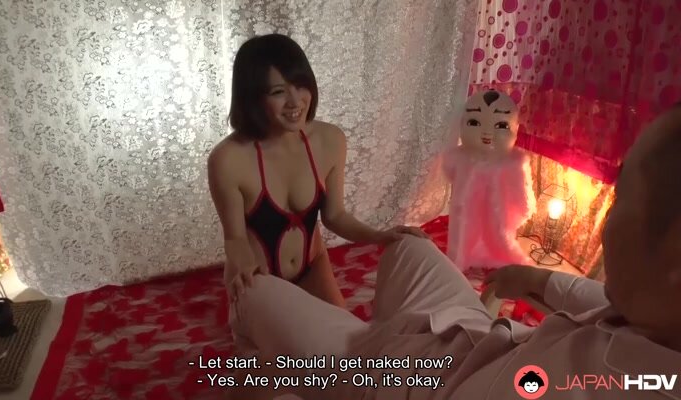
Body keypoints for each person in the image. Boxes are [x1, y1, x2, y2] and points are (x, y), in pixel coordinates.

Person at [230, 103, 681, 400]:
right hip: (473, 334)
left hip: (399, 378)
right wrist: (537, 279)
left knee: (251, 293)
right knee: (409, 244)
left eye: (620, 198)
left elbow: (333, 215)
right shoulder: (654, 314)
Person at [207, 33, 428, 309]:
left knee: (345, 335)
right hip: (258, 277)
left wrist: (380, 236)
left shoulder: (330, 140)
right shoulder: (228, 159)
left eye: (301, 86)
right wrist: (243, 266)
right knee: (293, 337)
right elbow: (235, 238)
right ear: (252, 98)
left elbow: (335, 216)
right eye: (278, 92)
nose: (295, 101)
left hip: (311, 268)